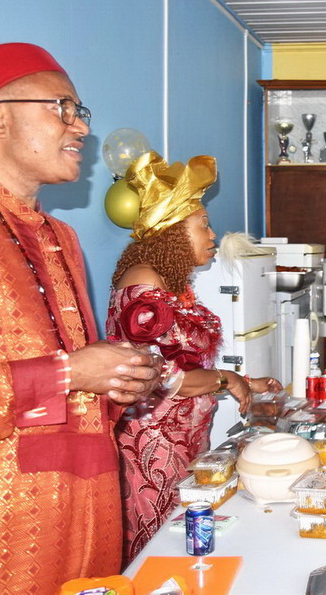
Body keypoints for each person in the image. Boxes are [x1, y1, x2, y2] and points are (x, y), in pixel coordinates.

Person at [0, 43, 162, 592]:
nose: (81, 127)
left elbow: (74, 380)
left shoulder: (61, 237)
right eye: (62, 108)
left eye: (80, 111)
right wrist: (69, 373)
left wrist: (117, 381)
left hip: (88, 512)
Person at [108, 151, 282, 563]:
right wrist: (227, 380)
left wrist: (245, 382)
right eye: (203, 224)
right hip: (153, 450)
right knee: (159, 550)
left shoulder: (168, 285)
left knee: (187, 543)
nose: (212, 233)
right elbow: (163, 377)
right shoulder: (144, 287)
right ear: (172, 231)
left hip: (183, 441)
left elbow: (186, 364)